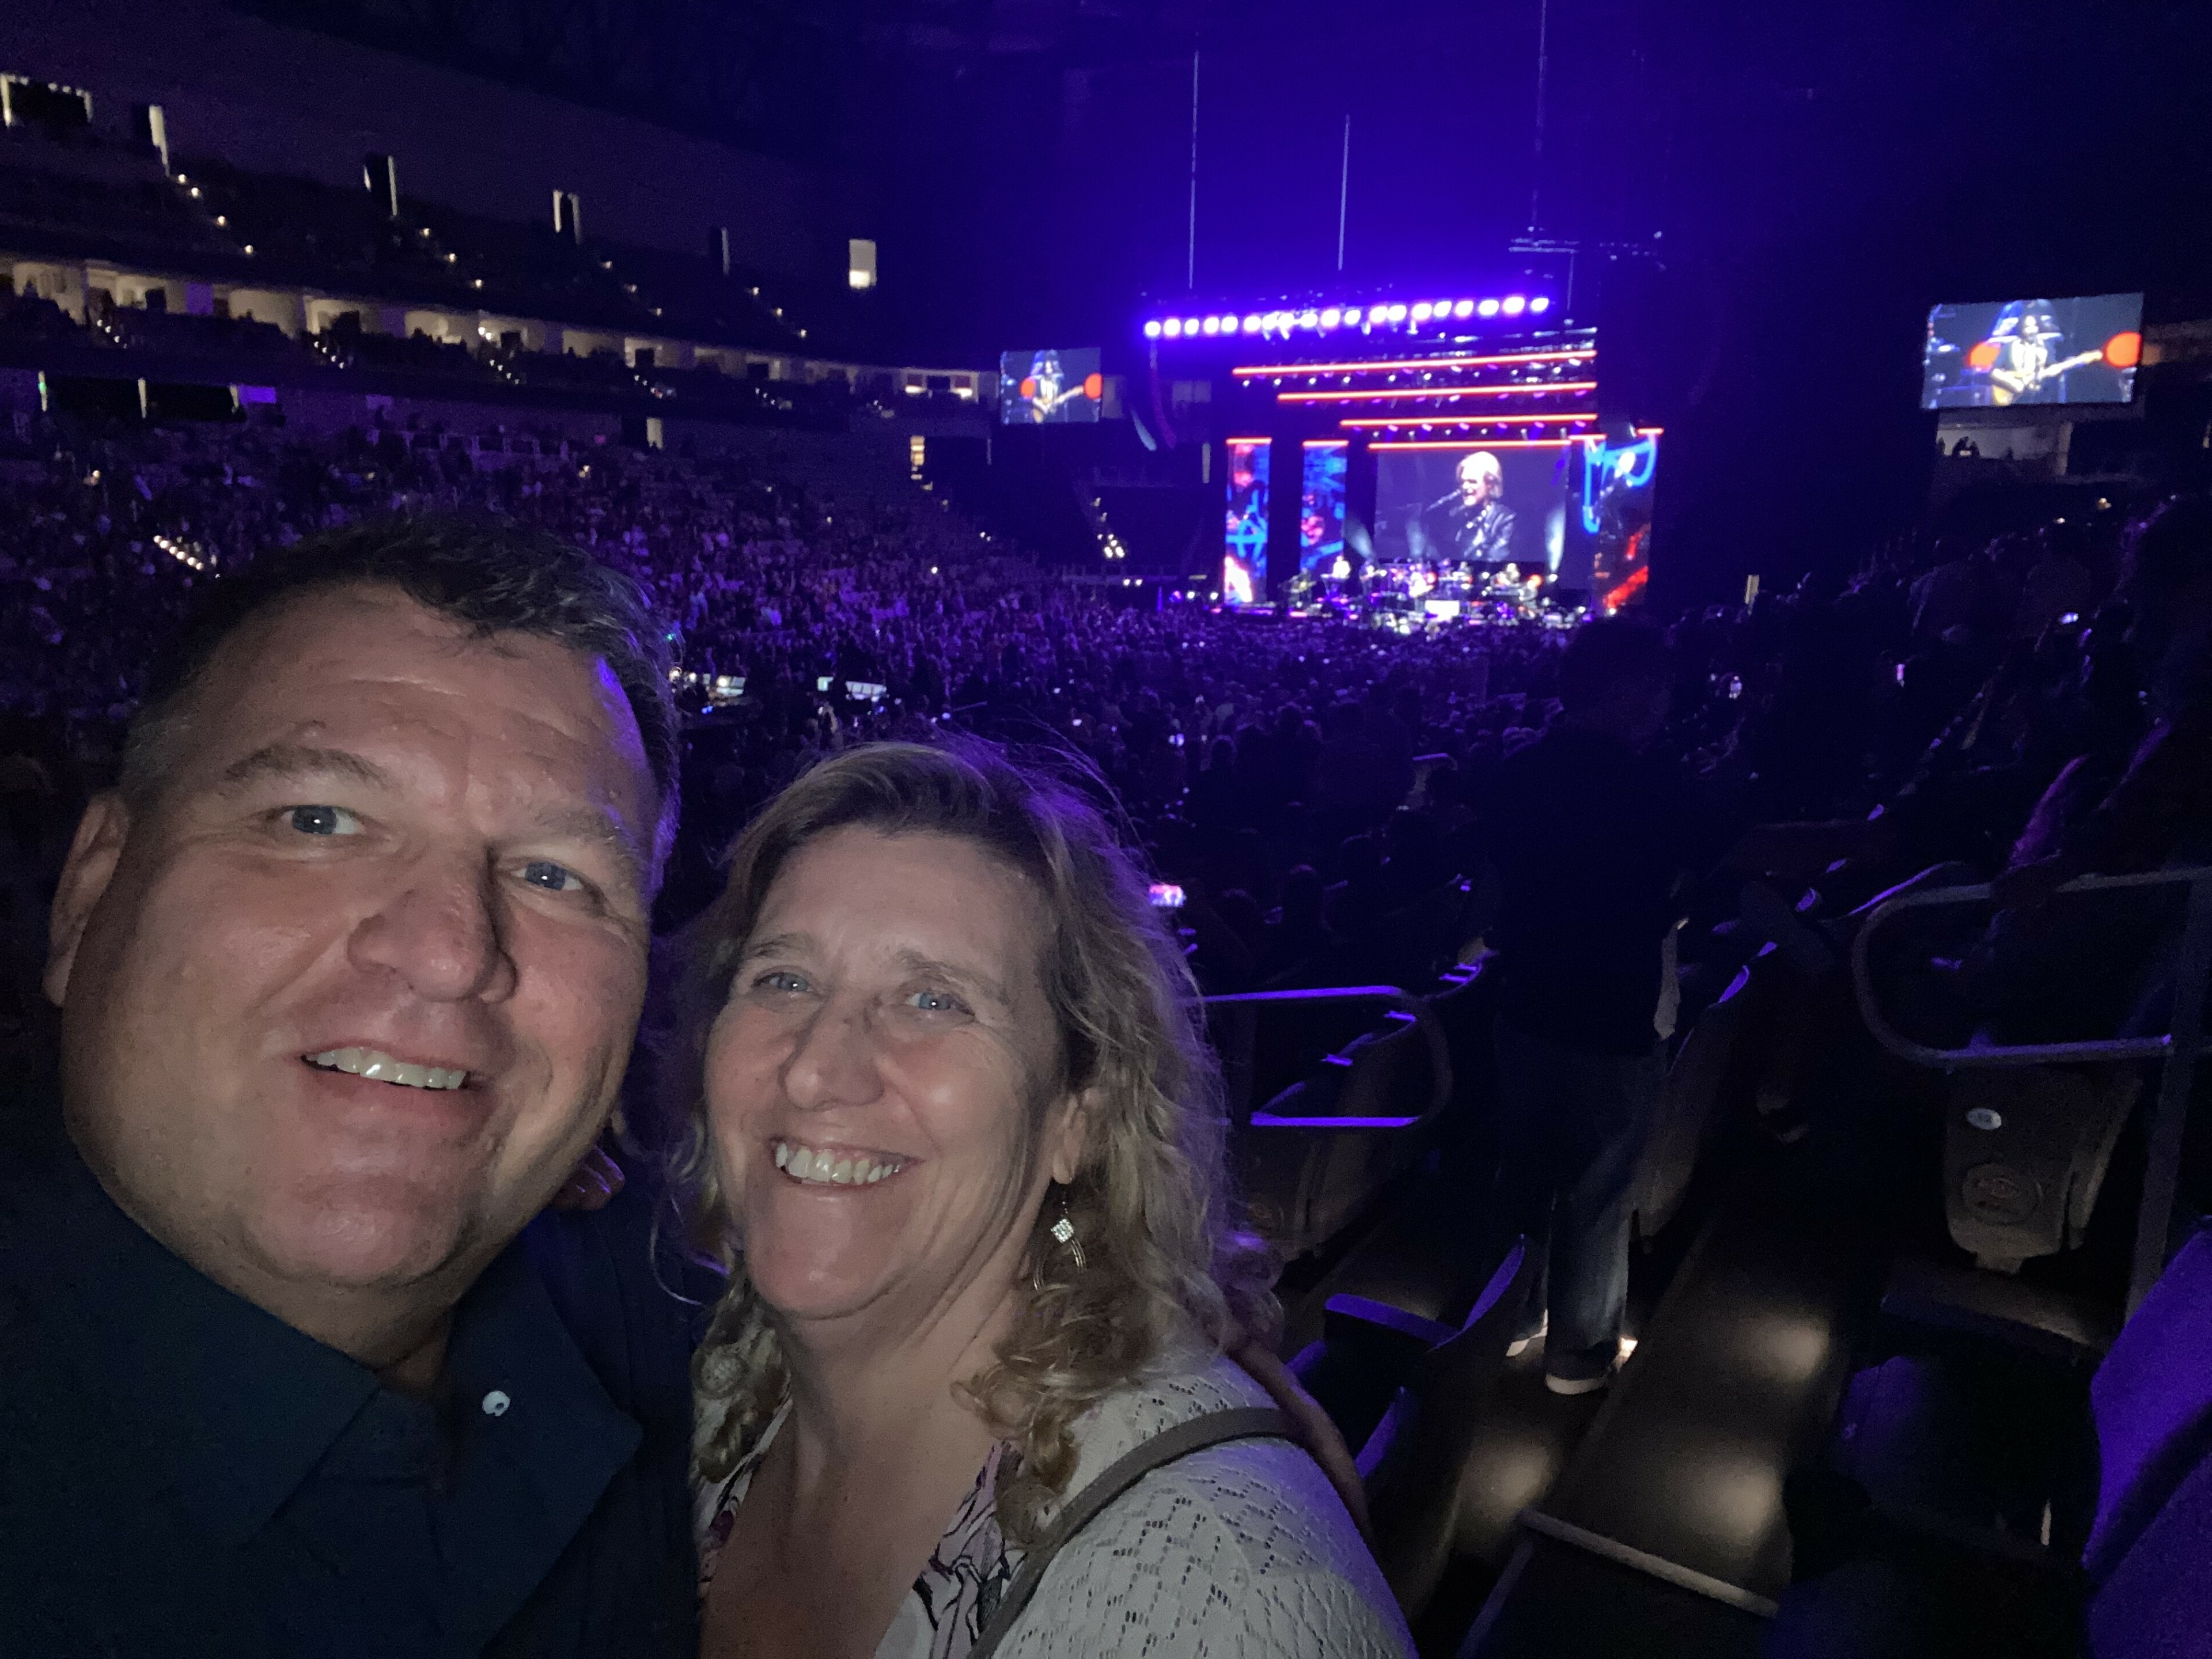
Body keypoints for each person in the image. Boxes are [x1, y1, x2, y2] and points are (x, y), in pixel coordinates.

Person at [1, 517, 709, 1654]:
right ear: (88, 896)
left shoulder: (698, 1337)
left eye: (554, 875)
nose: (448, 952)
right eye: (318, 821)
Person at [670, 741, 1413, 1658]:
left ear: (1078, 1118)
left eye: (933, 1000)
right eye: (783, 979)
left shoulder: (1224, 1601)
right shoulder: (719, 1366)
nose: (815, 1069)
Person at [1479, 619, 1696, 1395]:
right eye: (1658, 686)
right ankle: (1579, 1356)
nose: (1666, 701)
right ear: (1625, 688)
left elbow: (1492, 895)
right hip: (1613, 1015)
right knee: (1599, 1192)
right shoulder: (1652, 785)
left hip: (1527, 1005)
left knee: (1522, 1175)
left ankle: (1505, 1322)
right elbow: (1708, 867)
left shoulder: (1517, 773)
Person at [1436, 451, 1517, 570]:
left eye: (1472, 482)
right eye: (1463, 482)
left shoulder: (1505, 519)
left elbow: (1495, 560)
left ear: (1490, 484)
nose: (1465, 487)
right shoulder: (1456, 517)